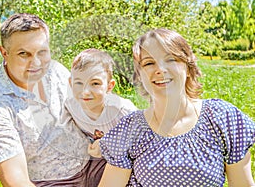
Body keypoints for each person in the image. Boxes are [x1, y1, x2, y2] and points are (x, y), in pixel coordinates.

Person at [98, 28, 255, 186]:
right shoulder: (129, 130)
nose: (160, 69)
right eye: (149, 63)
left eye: (170, 59)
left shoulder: (223, 118)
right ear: (140, 74)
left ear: (188, 67)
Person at [0, 13, 104, 187]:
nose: (36, 63)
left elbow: (90, 112)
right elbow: (17, 181)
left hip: (94, 162)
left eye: (42, 52)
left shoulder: (55, 71)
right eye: (23, 54)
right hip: (52, 182)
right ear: (4, 53)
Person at [63, 48, 137, 158]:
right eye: (79, 83)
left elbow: (140, 140)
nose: (85, 92)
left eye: (95, 83)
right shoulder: (70, 105)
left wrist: (107, 145)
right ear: (71, 83)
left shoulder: (121, 111)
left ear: (109, 86)